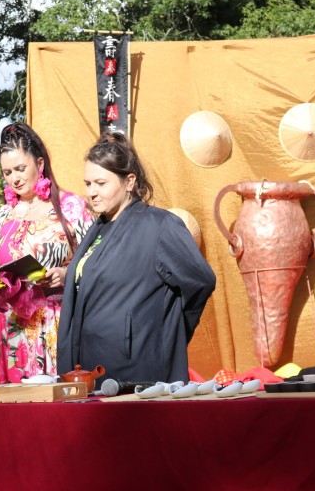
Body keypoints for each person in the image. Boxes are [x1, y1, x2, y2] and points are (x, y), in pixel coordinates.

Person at [58, 132, 216, 383]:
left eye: (101, 183)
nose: (92, 192)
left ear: (129, 182)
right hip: (90, 361)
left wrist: (171, 330)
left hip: (135, 364)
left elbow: (201, 280)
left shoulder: (160, 225)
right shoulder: (97, 228)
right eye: (88, 184)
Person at [0, 123, 94, 384]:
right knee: (14, 413)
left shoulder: (70, 207)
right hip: (9, 327)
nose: (14, 178)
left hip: (55, 321)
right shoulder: (4, 215)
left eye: (20, 169)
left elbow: (100, 259)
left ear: (39, 164)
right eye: (7, 172)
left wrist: (67, 273)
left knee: (55, 407)